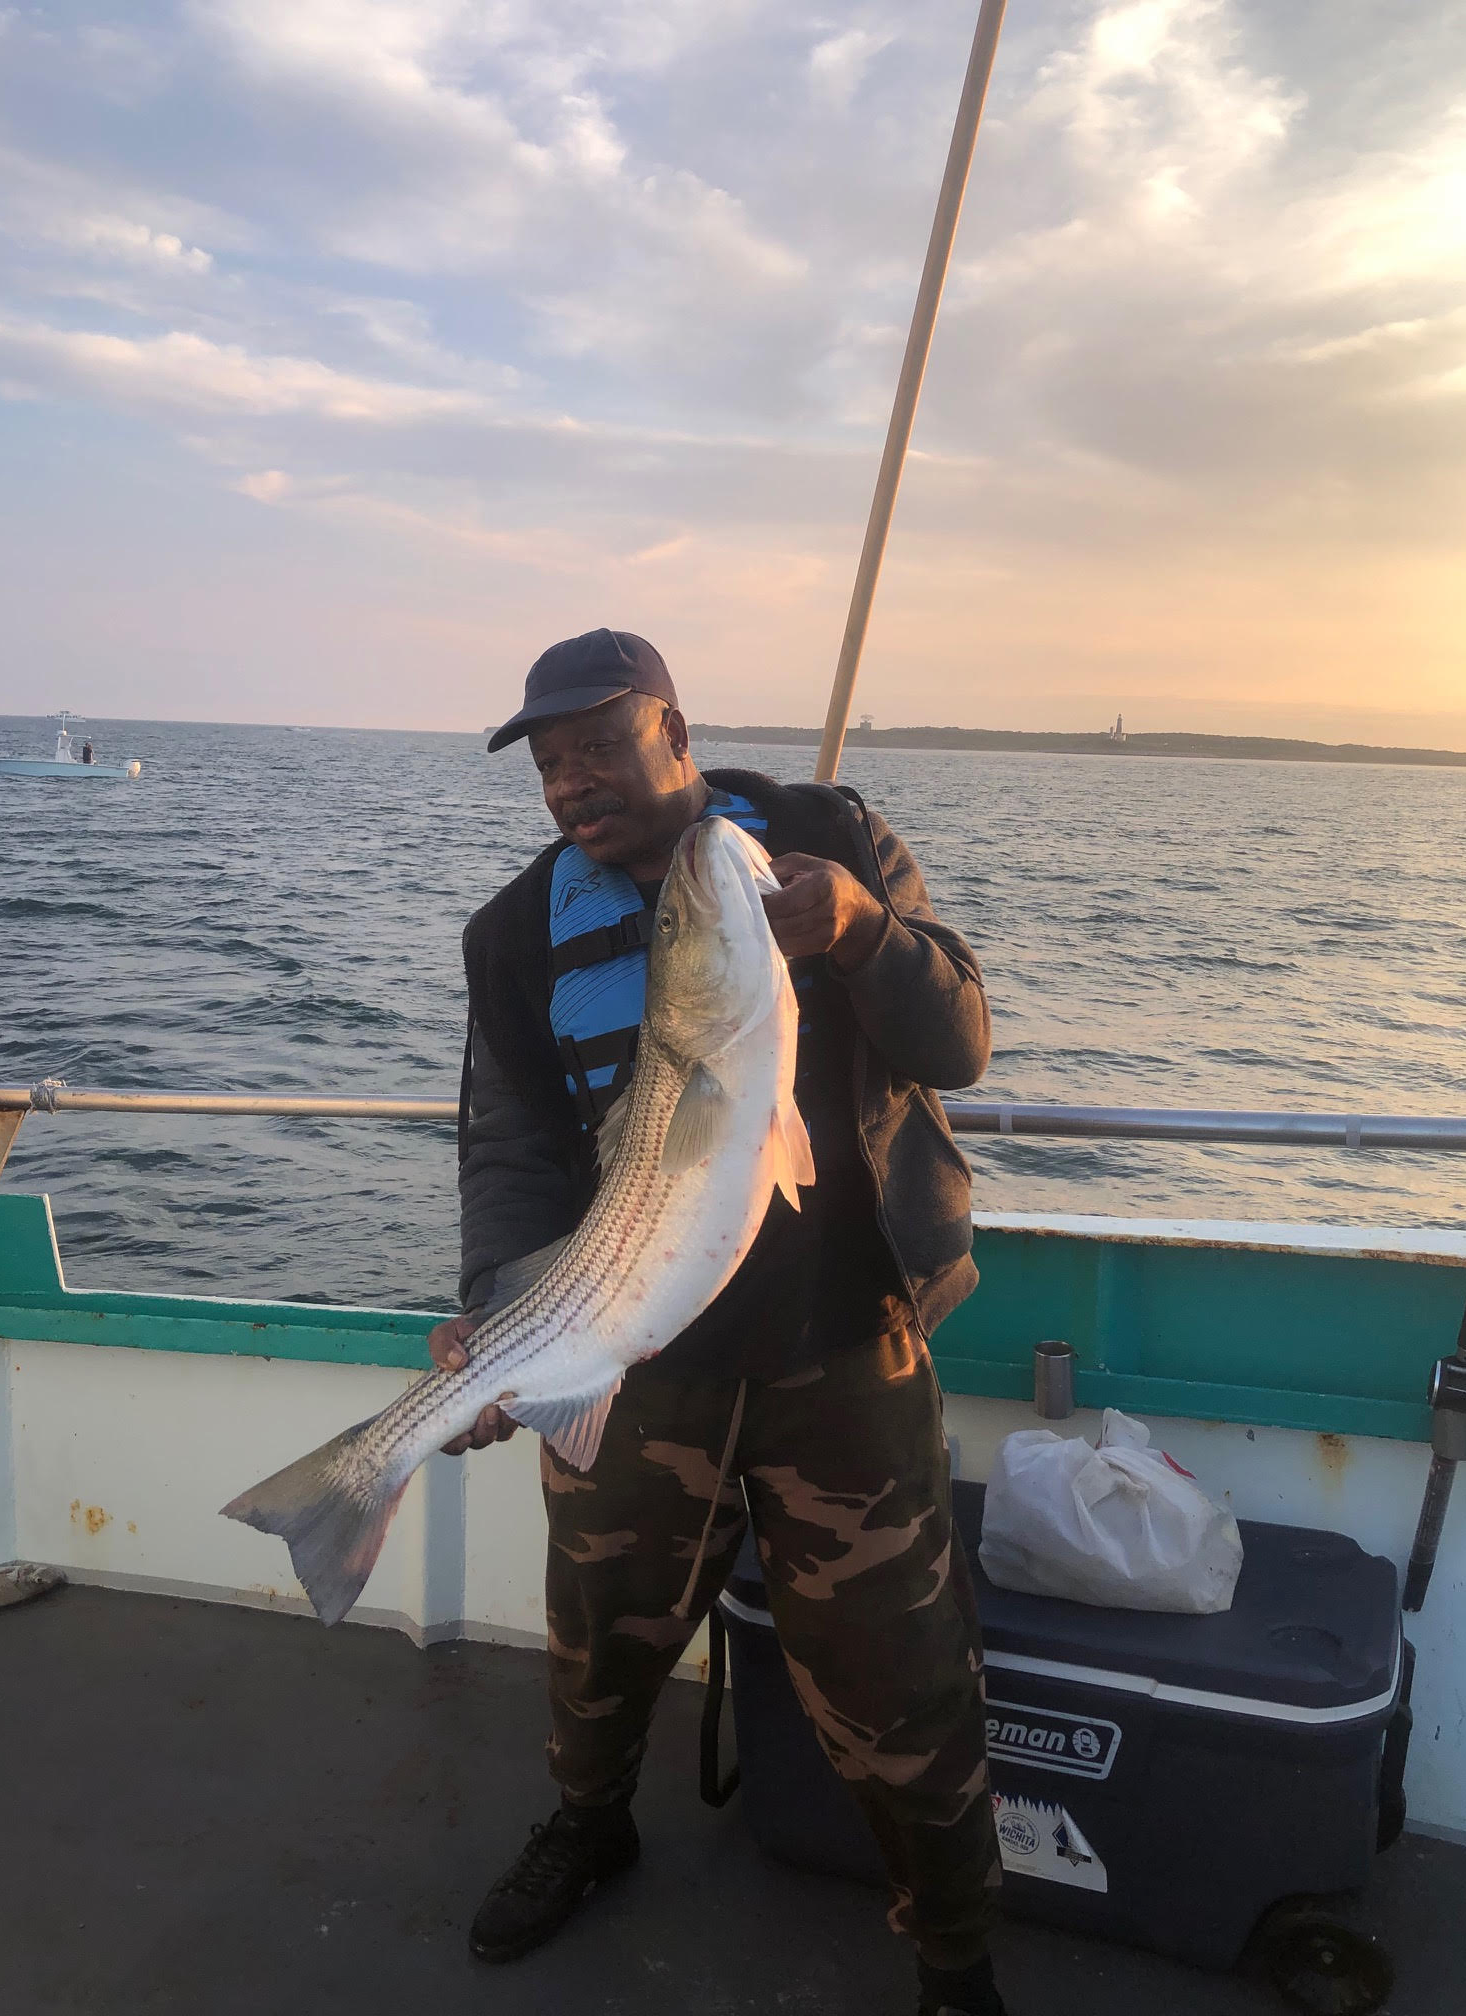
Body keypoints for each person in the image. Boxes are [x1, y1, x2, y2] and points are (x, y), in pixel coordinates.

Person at [428, 629, 1007, 2016]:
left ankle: (953, 1951)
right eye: (549, 763)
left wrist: (864, 936)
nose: (573, 784)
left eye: (598, 749)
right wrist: (495, 1326)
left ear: (673, 731)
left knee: (901, 1677)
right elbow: (508, 1152)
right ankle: (590, 1823)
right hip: (629, 1359)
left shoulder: (822, 836)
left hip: (842, 1351)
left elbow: (962, 1042)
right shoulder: (512, 932)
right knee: (600, 1637)